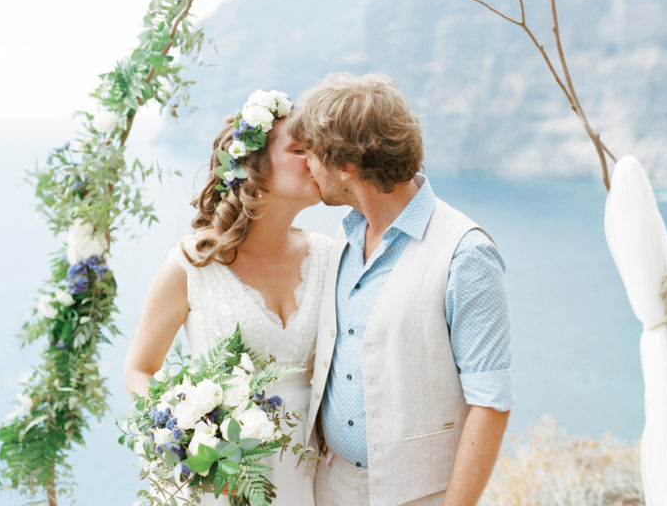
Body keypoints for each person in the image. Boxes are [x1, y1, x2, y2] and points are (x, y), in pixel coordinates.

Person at [287, 73, 514, 506]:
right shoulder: (346, 236)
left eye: (311, 155)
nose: (307, 167)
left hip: (419, 496)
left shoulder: (467, 255)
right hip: (328, 484)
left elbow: (492, 403)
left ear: (346, 167)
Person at [124, 89, 333, 505]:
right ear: (254, 169)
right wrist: (192, 433)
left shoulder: (329, 256)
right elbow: (139, 369)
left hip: (308, 473)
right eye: (298, 149)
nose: (316, 159)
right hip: (225, 480)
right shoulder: (192, 265)